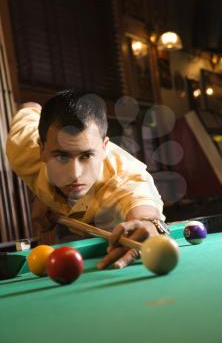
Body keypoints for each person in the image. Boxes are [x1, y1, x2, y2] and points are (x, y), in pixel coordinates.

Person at [6, 89, 166, 269]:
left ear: (104, 147)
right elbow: (29, 108)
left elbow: (143, 209)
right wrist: (41, 196)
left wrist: (148, 223)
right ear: (41, 149)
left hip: (112, 233)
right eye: (61, 156)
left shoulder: (124, 177)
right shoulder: (22, 148)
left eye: (86, 156)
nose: (75, 174)